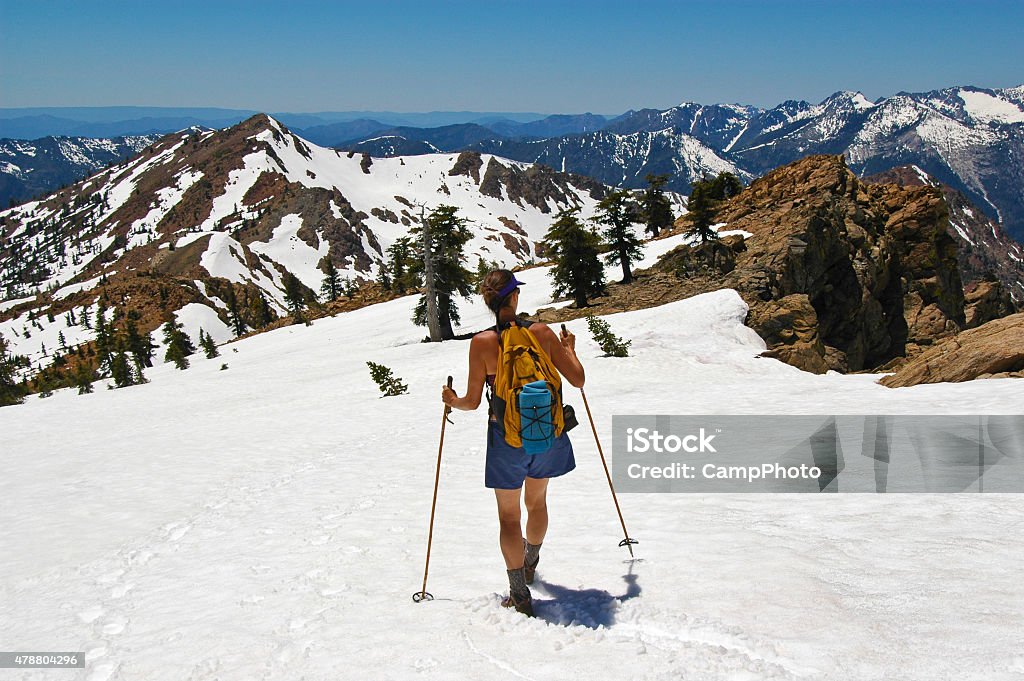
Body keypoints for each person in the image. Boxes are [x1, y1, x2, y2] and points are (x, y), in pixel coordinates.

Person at [441, 269, 585, 616]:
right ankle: (531, 559)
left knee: (509, 517)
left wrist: (450, 399)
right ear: (515, 297)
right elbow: (578, 379)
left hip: (505, 436)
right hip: (546, 432)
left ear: (489, 302)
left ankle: (519, 592)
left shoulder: (483, 343)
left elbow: (473, 401)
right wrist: (569, 350)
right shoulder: (541, 333)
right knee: (537, 504)